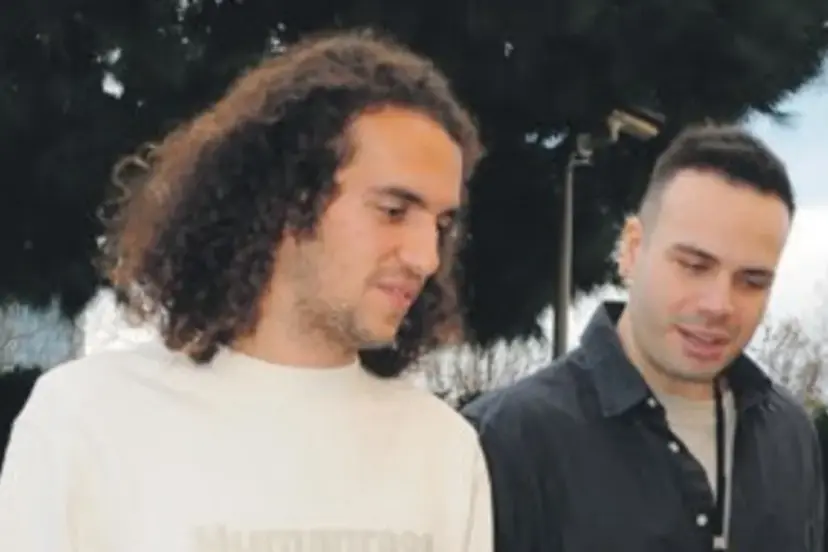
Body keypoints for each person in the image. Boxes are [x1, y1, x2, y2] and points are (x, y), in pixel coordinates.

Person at [0, 29, 492, 552]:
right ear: (290, 200)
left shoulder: (443, 450)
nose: (425, 257)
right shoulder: (87, 419)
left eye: (441, 224)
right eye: (393, 211)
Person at [463, 124, 824, 552]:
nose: (719, 304)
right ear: (632, 249)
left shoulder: (789, 434)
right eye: (694, 266)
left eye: (752, 281)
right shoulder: (503, 440)